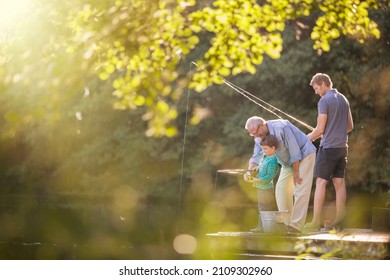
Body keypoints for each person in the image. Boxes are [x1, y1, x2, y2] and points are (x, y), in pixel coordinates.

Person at [244, 116, 316, 233]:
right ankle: (287, 224)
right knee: (281, 189)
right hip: (287, 162)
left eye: (255, 133)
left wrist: (296, 171)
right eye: (252, 135)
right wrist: (249, 170)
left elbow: (294, 150)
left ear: (262, 125)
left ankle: (296, 226)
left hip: (304, 154)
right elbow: (256, 155)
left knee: (300, 189)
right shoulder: (258, 138)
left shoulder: (282, 127)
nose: (255, 136)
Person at [304, 73, 354, 231]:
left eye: (317, 88)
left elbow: (319, 130)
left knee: (320, 182)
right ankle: (340, 222)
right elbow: (350, 126)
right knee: (339, 183)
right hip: (342, 147)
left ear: (324, 84)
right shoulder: (344, 99)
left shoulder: (324, 101)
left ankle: (315, 222)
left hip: (329, 148)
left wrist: (307, 139)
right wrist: (334, 131)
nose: (316, 92)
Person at [246, 135, 280, 232]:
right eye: (262, 149)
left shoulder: (273, 160)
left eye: (265, 149)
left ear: (273, 148)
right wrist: (255, 169)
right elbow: (261, 167)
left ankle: (265, 228)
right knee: (261, 207)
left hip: (266, 189)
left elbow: (269, 177)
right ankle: (261, 227)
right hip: (260, 187)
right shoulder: (265, 157)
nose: (263, 151)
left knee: (265, 208)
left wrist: (256, 180)